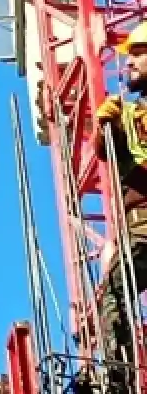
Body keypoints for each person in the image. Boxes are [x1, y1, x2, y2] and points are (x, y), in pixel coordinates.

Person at [94, 21, 147, 390]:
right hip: (138, 221)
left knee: (116, 291)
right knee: (114, 294)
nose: (129, 64)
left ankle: (120, 380)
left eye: (139, 55)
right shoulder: (133, 113)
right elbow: (109, 156)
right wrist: (107, 130)